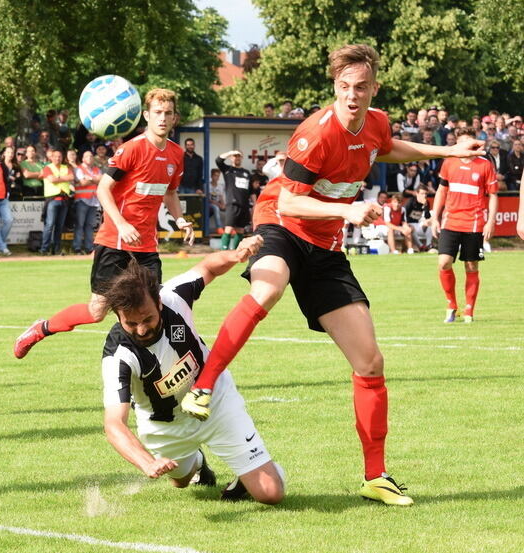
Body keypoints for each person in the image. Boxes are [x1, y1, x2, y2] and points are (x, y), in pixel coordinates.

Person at [181, 44, 485, 506]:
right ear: (335, 88)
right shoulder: (316, 134)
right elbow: (287, 202)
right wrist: (347, 208)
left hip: (325, 248)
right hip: (281, 226)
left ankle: (375, 477)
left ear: (373, 88)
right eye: (344, 87)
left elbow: (390, 148)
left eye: (361, 87)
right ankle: (203, 386)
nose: (351, 95)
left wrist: (451, 149)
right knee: (267, 289)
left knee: (370, 363)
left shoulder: (375, 122)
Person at [101, 236, 285, 503]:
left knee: (271, 495)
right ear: (119, 317)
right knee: (181, 481)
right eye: (131, 323)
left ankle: (245, 480)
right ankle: (197, 462)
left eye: (148, 319)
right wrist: (146, 463)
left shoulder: (174, 296)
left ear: (159, 303)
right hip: (166, 427)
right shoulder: (118, 354)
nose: (141, 330)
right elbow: (113, 423)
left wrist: (235, 256)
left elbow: (208, 267)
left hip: (214, 403)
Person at [15, 88, 193, 358]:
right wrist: (122, 224)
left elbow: (170, 192)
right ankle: (42, 328)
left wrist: (180, 219)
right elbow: (103, 189)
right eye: (157, 112)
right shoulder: (131, 149)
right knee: (96, 311)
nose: (162, 118)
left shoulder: (176, 155)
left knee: (152, 310)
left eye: (167, 113)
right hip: (114, 241)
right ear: (146, 115)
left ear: (175, 118)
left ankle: (143, 373)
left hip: (146, 246)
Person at [431, 127, 498, 323]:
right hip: (451, 220)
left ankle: (469, 309)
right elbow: (441, 191)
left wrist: (490, 221)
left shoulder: (485, 165)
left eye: (469, 141)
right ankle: (451, 305)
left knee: (471, 265)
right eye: (462, 142)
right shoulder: (449, 162)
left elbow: (493, 195)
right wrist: (435, 216)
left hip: (474, 222)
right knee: (443, 262)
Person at [38, 147, 73, 255]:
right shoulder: (47, 167)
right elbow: (51, 180)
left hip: (64, 200)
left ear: (62, 158)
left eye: (59, 156)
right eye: (55, 156)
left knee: (59, 226)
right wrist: (63, 178)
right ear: (51, 158)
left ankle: (56, 249)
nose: (58, 158)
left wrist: (58, 178)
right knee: (49, 225)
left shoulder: (65, 167)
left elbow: (71, 177)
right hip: (52, 199)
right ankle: (44, 249)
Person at [216, 150, 252, 250]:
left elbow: (251, 191)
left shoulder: (246, 172)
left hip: (244, 205)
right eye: (235, 156)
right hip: (232, 204)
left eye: (239, 156)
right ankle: (223, 251)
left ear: (242, 157)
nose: (237, 158)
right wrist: (230, 152)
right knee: (229, 228)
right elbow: (218, 160)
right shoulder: (228, 170)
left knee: (240, 230)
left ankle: (235, 253)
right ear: (231, 158)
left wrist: (255, 203)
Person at [72, 150, 101, 255]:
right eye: (87, 156)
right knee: (79, 224)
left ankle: (89, 247)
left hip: (94, 201)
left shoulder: (97, 169)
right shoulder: (78, 169)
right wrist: (94, 179)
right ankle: (77, 247)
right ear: (83, 159)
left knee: (90, 225)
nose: (90, 158)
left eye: (91, 156)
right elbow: (83, 182)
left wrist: (89, 178)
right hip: (82, 200)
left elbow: (101, 180)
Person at [404, 186, 433, 252]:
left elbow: (427, 217)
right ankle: (420, 246)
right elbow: (404, 215)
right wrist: (406, 225)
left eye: (425, 194)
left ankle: (428, 245)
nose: (424, 195)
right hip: (409, 224)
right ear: (417, 194)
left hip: (417, 224)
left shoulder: (426, 203)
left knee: (429, 223)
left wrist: (425, 206)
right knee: (411, 227)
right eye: (422, 193)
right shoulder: (411, 202)